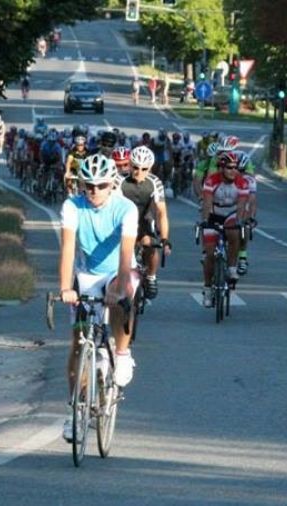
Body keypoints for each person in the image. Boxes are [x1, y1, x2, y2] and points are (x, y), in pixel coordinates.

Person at [58, 153, 139, 442]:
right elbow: (68, 247)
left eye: (101, 185)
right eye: (88, 185)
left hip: (118, 269)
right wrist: (65, 287)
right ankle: (75, 412)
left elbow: (127, 253)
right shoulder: (72, 206)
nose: (94, 191)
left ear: (111, 184)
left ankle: (122, 353)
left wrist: (117, 290)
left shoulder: (126, 208)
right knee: (78, 343)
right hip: (86, 273)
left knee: (124, 291)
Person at [115, 146, 171, 300]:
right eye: (135, 167)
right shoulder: (119, 180)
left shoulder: (155, 182)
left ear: (150, 168)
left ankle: (151, 276)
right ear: (130, 164)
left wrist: (165, 239)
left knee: (151, 245)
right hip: (123, 220)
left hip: (144, 221)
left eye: (144, 169)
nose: (139, 172)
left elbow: (161, 212)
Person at [200, 151, 249, 308]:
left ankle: (232, 267)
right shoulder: (211, 181)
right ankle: (207, 289)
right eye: (229, 167)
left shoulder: (242, 182)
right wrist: (206, 221)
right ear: (221, 168)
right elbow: (207, 204)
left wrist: (239, 221)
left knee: (233, 231)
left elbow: (241, 205)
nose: (233, 171)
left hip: (231, 213)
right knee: (209, 254)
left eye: (235, 168)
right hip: (214, 213)